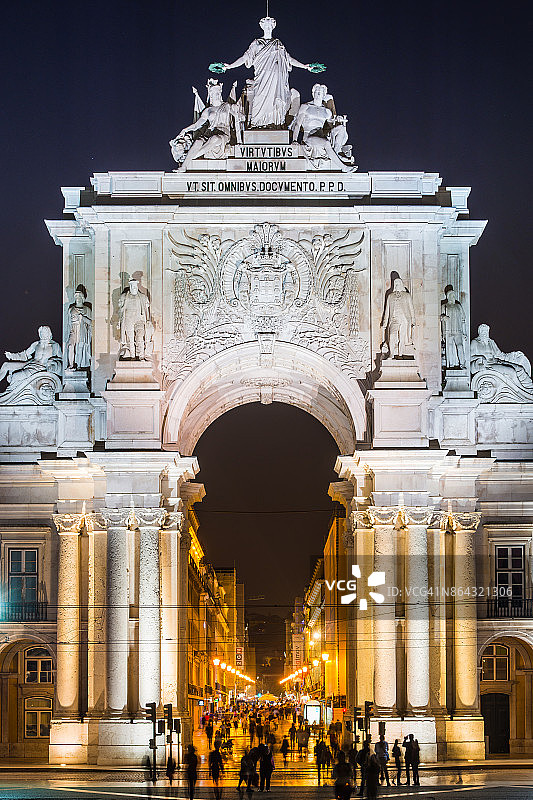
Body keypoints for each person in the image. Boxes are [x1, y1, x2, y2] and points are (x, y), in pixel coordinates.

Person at [215, 16, 316, 127]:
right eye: (266, 24)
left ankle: (275, 124)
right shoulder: (256, 43)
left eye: (270, 25)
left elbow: (289, 59)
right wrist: (230, 66)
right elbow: (245, 58)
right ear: (262, 26)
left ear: (273, 27)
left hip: (277, 77)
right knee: (259, 99)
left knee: (275, 101)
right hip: (262, 77)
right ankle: (257, 124)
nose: (268, 27)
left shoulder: (278, 43)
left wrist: (304, 66)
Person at [290, 83, 355, 172]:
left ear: (324, 95)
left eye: (320, 92)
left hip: (322, 136)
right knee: (326, 143)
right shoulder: (305, 107)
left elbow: (332, 123)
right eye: (316, 92)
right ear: (313, 93)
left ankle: (334, 153)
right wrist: (294, 140)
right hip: (309, 138)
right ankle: (343, 167)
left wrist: (338, 119)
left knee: (341, 128)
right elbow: (297, 125)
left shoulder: (327, 111)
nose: (318, 94)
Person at [381, 276, 416, 359]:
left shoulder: (407, 295)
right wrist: (384, 323)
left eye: (398, 283)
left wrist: (413, 321)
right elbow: (387, 311)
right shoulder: (390, 296)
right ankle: (391, 353)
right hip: (394, 319)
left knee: (402, 337)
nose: (397, 284)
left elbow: (411, 309)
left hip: (404, 319)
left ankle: (400, 354)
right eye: (395, 283)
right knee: (392, 335)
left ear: (401, 284)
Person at [118, 277, 151, 360]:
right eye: (132, 287)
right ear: (130, 287)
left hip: (139, 319)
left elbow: (146, 310)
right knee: (130, 339)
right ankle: (132, 356)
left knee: (140, 336)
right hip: (128, 319)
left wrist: (148, 320)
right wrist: (120, 322)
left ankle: (141, 355)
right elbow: (120, 311)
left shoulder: (142, 297)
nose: (134, 288)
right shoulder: (124, 297)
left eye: (135, 287)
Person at [67, 285, 92, 369]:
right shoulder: (71, 309)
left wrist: (83, 318)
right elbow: (68, 323)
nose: (77, 298)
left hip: (82, 330)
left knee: (80, 348)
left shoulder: (87, 309)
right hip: (73, 330)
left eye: (79, 296)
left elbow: (91, 323)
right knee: (70, 346)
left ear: (82, 297)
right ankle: (71, 364)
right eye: (76, 296)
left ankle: (79, 366)